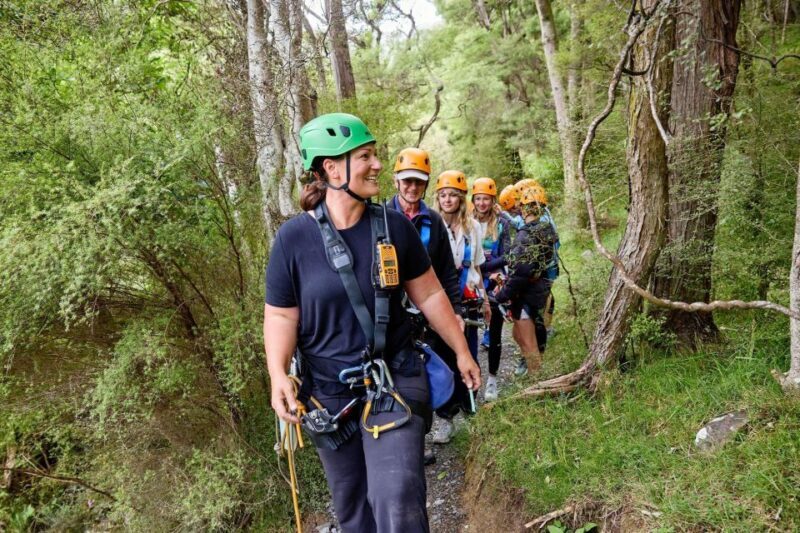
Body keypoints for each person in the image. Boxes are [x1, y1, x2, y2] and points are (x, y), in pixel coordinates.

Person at [264, 113, 481, 533]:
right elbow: (280, 315)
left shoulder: (393, 226)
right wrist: (277, 374)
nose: (378, 165)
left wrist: (461, 351)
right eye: (366, 156)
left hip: (394, 377)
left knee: (396, 499)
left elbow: (432, 294)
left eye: (375, 155)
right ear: (332, 167)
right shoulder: (293, 240)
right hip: (327, 394)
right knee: (353, 512)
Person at [388, 147, 465, 455]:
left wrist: (456, 310)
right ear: (395, 181)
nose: (412, 187)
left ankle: (438, 422)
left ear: (426, 184)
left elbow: (447, 271)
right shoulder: (381, 217)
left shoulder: (433, 222)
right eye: (406, 181)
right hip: (393, 313)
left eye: (418, 182)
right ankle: (408, 439)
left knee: (434, 368)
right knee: (399, 377)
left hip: (428, 312)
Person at [431, 170, 491, 442]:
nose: (447, 200)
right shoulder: (431, 226)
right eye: (442, 195)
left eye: (452, 195)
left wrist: (486, 299)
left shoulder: (473, 228)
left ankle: (470, 407)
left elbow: (476, 265)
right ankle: (445, 417)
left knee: (469, 356)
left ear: (461, 199)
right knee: (442, 360)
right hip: (440, 303)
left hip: (467, 300)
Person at [493, 182, 558, 376]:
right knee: (518, 335)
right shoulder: (547, 230)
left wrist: (502, 295)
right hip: (540, 290)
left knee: (530, 346)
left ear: (523, 207)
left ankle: (536, 384)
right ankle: (534, 376)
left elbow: (520, 274)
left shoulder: (525, 235)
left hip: (526, 296)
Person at [471, 177, 510, 402]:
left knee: (494, 333)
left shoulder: (502, 223)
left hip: (494, 282)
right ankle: (471, 381)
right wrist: (484, 267)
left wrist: (489, 268)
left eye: (486, 199)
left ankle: (493, 381)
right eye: (478, 199)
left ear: (492, 199)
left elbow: (507, 254)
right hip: (474, 282)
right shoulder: (467, 222)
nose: (482, 203)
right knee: (471, 335)